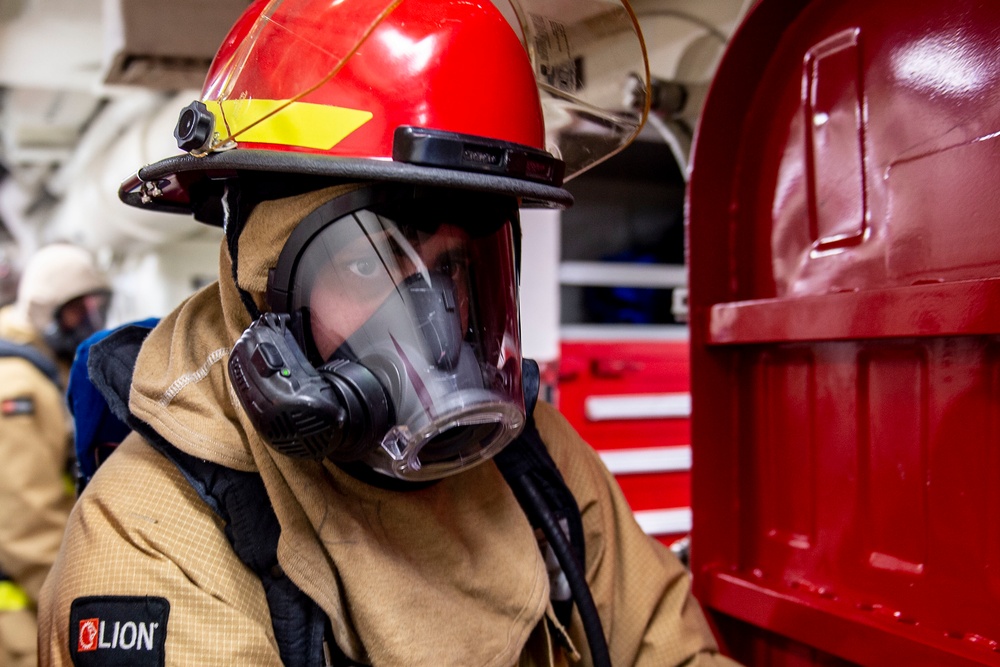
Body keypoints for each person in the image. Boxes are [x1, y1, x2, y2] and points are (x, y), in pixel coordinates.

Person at [38, 1, 741, 665]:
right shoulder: (150, 533)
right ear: (264, 288)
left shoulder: (537, 459)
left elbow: (670, 645)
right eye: (367, 266)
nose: (437, 327)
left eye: (458, 266)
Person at [0, 243, 110, 667]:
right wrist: (75, 608)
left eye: (94, 307)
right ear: (46, 314)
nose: (88, 321)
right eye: (76, 311)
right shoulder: (16, 389)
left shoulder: (39, 365)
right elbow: (26, 523)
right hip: (23, 615)